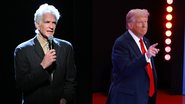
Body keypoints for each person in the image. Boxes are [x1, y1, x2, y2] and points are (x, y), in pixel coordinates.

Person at [14, 3, 77, 104]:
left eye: (54, 22)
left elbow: (71, 80)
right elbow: (22, 85)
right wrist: (43, 66)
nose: (51, 26)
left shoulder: (66, 47)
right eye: (47, 22)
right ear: (37, 24)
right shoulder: (22, 50)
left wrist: (65, 99)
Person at [106, 9, 160, 104]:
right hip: (128, 98)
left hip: (146, 95)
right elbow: (125, 69)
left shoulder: (146, 41)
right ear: (130, 25)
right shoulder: (121, 43)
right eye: (140, 22)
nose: (145, 25)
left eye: (146, 21)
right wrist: (146, 56)